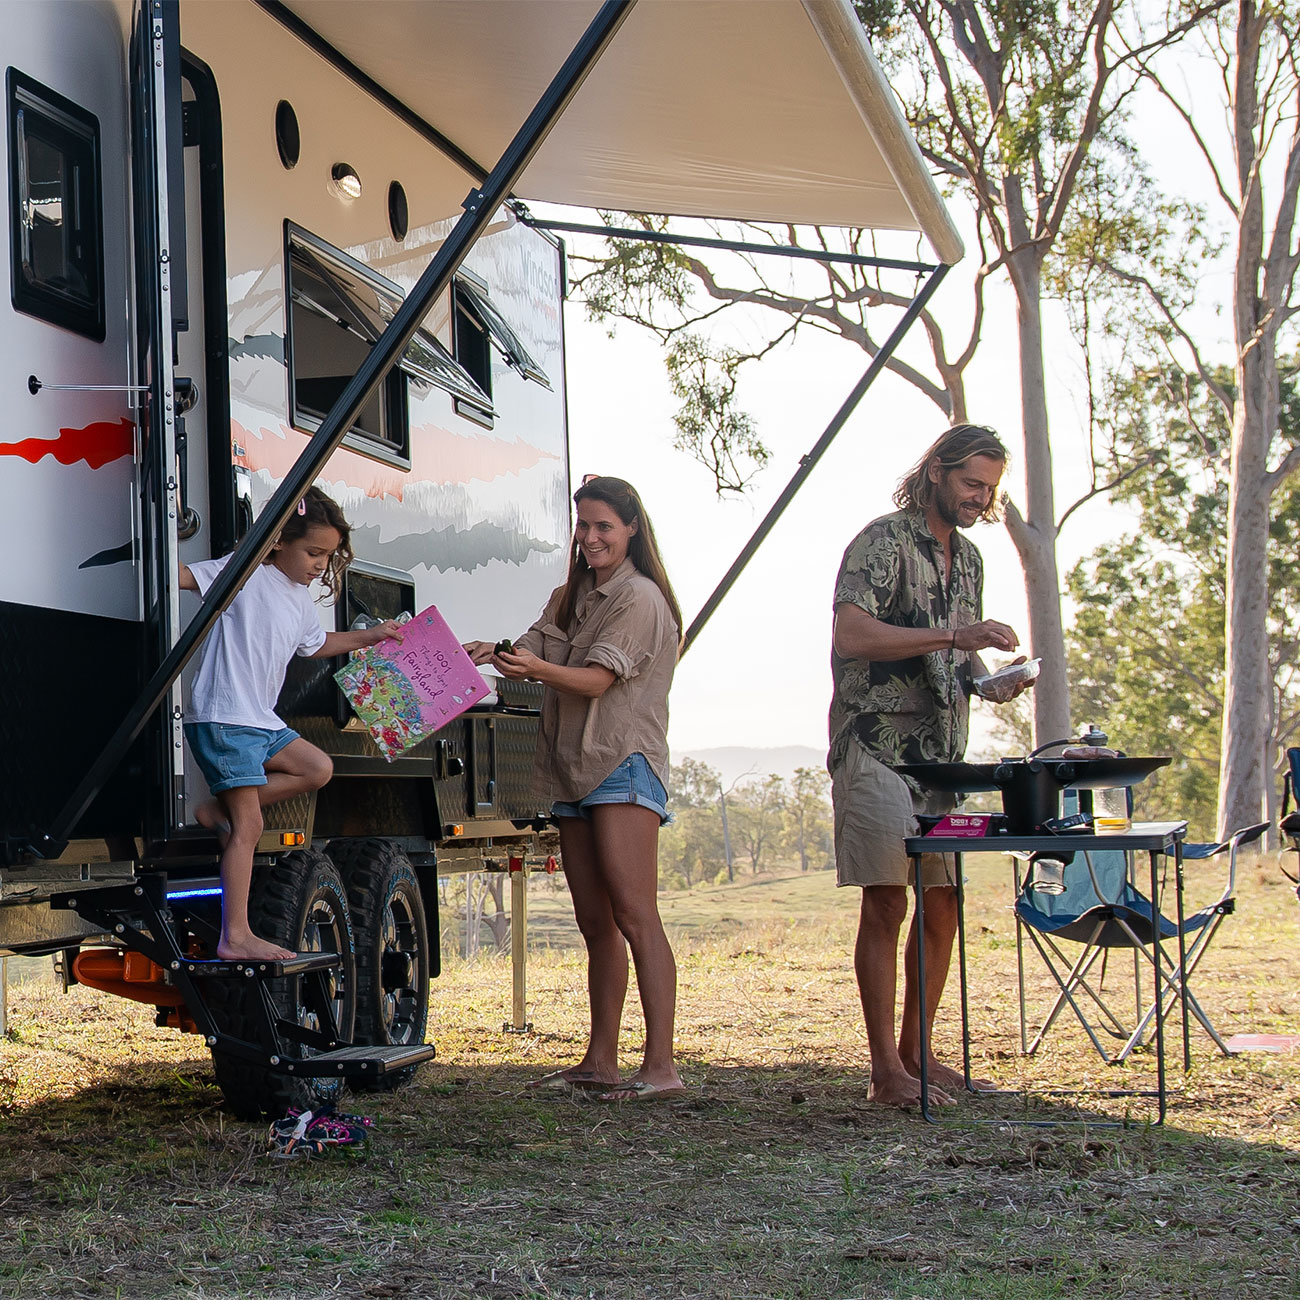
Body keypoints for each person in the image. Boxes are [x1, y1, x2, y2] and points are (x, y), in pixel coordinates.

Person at [829, 424, 1032, 1108]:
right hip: (877, 747)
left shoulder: (970, 560)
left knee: (942, 902)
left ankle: (919, 1053)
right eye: (973, 483)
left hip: (943, 762)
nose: (981, 497)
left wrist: (987, 680)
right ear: (938, 473)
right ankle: (885, 1071)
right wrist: (955, 635)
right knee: (887, 899)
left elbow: (954, 656)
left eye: (991, 488)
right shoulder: (881, 541)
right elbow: (852, 634)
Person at [465, 476, 684, 1102]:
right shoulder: (570, 595)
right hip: (571, 770)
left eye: (603, 527)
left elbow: (592, 682)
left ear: (632, 529)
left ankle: (662, 1067)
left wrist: (534, 669)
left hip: (622, 763)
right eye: (583, 526)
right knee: (595, 921)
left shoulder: (639, 599)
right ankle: (600, 1062)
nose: (590, 538)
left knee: (635, 913)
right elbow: (528, 646)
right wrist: (490, 652)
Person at [180, 486, 404, 963]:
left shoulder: (301, 600)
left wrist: (374, 635)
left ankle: (218, 812)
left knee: (317, 767)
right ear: (279, 541)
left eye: (328, 556)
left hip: (258, 720)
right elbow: (184, 578)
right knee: (251, 827)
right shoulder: (243, 573)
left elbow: (315, 644)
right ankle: (234, 936)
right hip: (224, 716)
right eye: (313, 552)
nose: (321, 565)